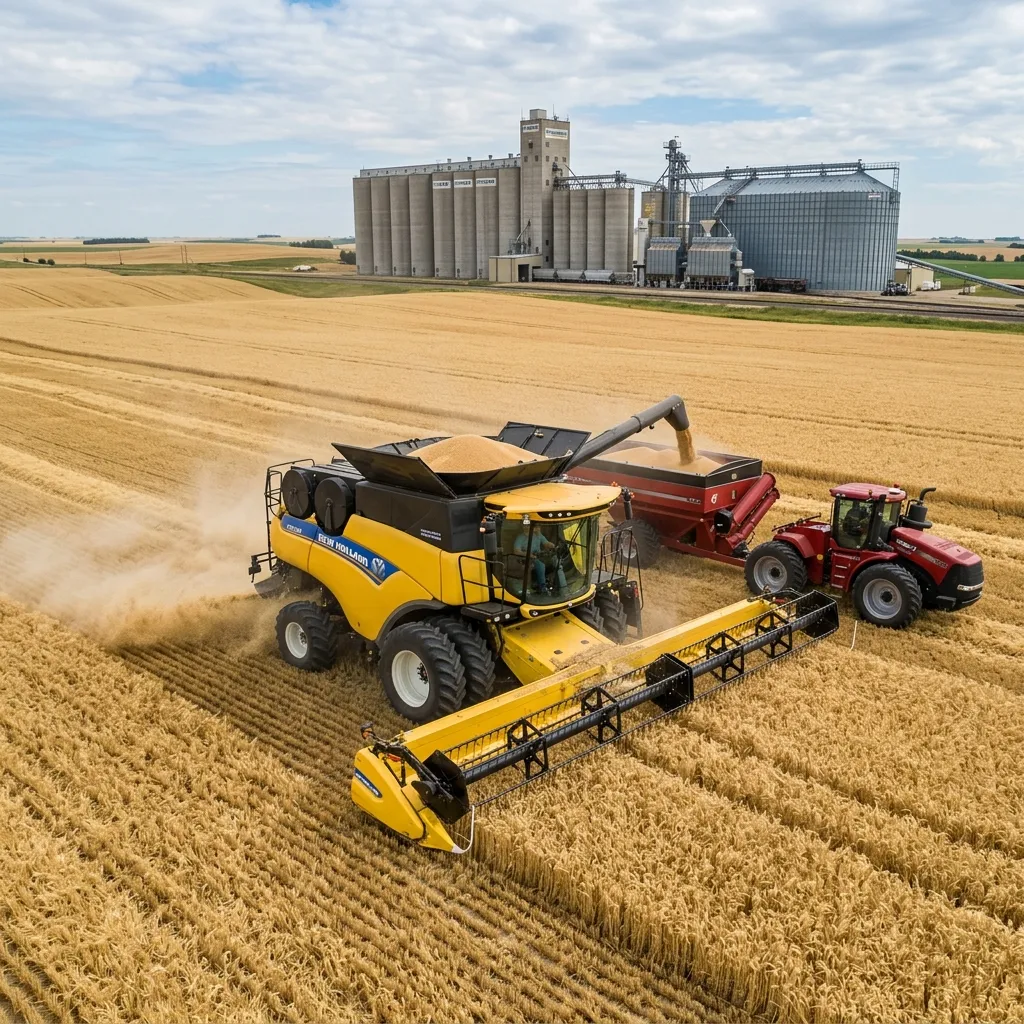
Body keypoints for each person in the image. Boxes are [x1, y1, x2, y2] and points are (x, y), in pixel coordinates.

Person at [513, 523, 567, 594]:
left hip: (540, 556)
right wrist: (529, 555)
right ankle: (542, 587)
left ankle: (563, 588)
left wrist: (551, 545)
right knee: (540, 564)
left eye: (539, 526)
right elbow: (516, 551)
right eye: (536, 526)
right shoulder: (520, 538)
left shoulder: (538, 535)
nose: (538, 528)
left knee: (557, 562)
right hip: (527, 559)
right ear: (525, 527)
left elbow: (546, 543)